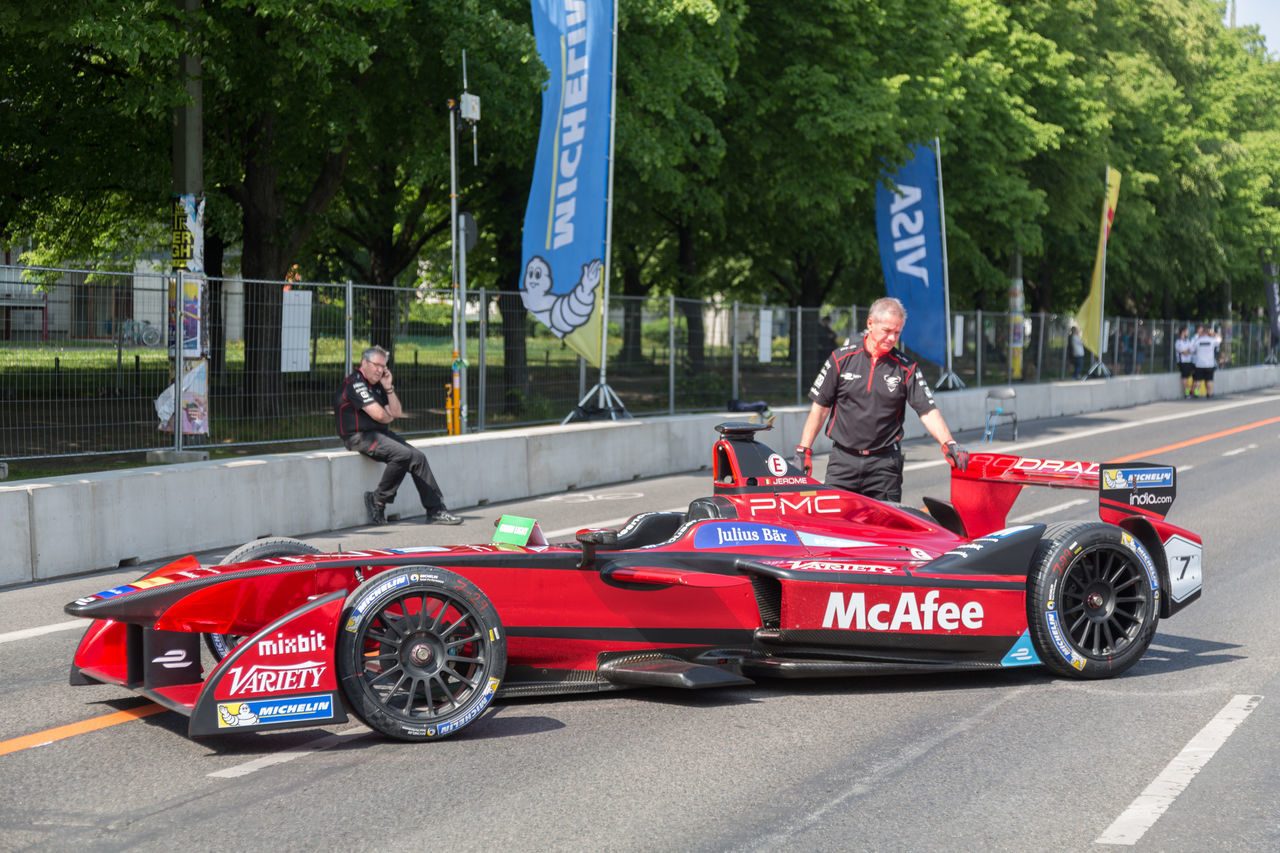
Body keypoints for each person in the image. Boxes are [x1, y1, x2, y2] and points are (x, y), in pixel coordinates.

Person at [793, 296, 969, 503]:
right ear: (870, 324)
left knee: (885, 530)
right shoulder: (841, 359)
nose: (892, 338)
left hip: (884, 466)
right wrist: (803, 450)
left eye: (897, 332)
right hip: (843, 462)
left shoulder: (906, 367)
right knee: (838, 529)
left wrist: (948, 443)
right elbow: (820, 408)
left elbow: (927, 410)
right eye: (887, 331)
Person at [335, 346, 462, 525]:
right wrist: (387, 416)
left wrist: (388, 388)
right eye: (376, 365)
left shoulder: (379, 384)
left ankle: (436, 511)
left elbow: (396, 412)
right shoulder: (355, 384)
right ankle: (378, 500)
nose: (380, 370)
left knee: (418, 457)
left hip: (380, 433)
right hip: (359, 436)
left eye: (383, 366)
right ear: (364, 363)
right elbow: (380, 415)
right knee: (403, 454)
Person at [1191, 324, 1222, 399]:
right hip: (1209, 364)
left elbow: (1192, 350)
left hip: (1199, 364)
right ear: (1208, 333)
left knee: (1198, 380)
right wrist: (1214, 333)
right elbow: (1220, 339)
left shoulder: (1197, 341)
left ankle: (1196, 394)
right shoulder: (1212, 340)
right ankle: (1209, 394)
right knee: (1209, 380)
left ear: (1202, 333)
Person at [1175, 327, 1195, 398]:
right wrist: (1188, 351)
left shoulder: (1187, 341)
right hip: (1183, 362)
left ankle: (1193, 391)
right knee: (1185, 378)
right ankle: (1187, 394)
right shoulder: (1178, 342)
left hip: (1189, 361)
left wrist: (1189, 351)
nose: (1188, 333)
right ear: (1183, 332)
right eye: (1187, 331)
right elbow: (1184, 352)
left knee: (1196, 374)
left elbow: (1192, 350)